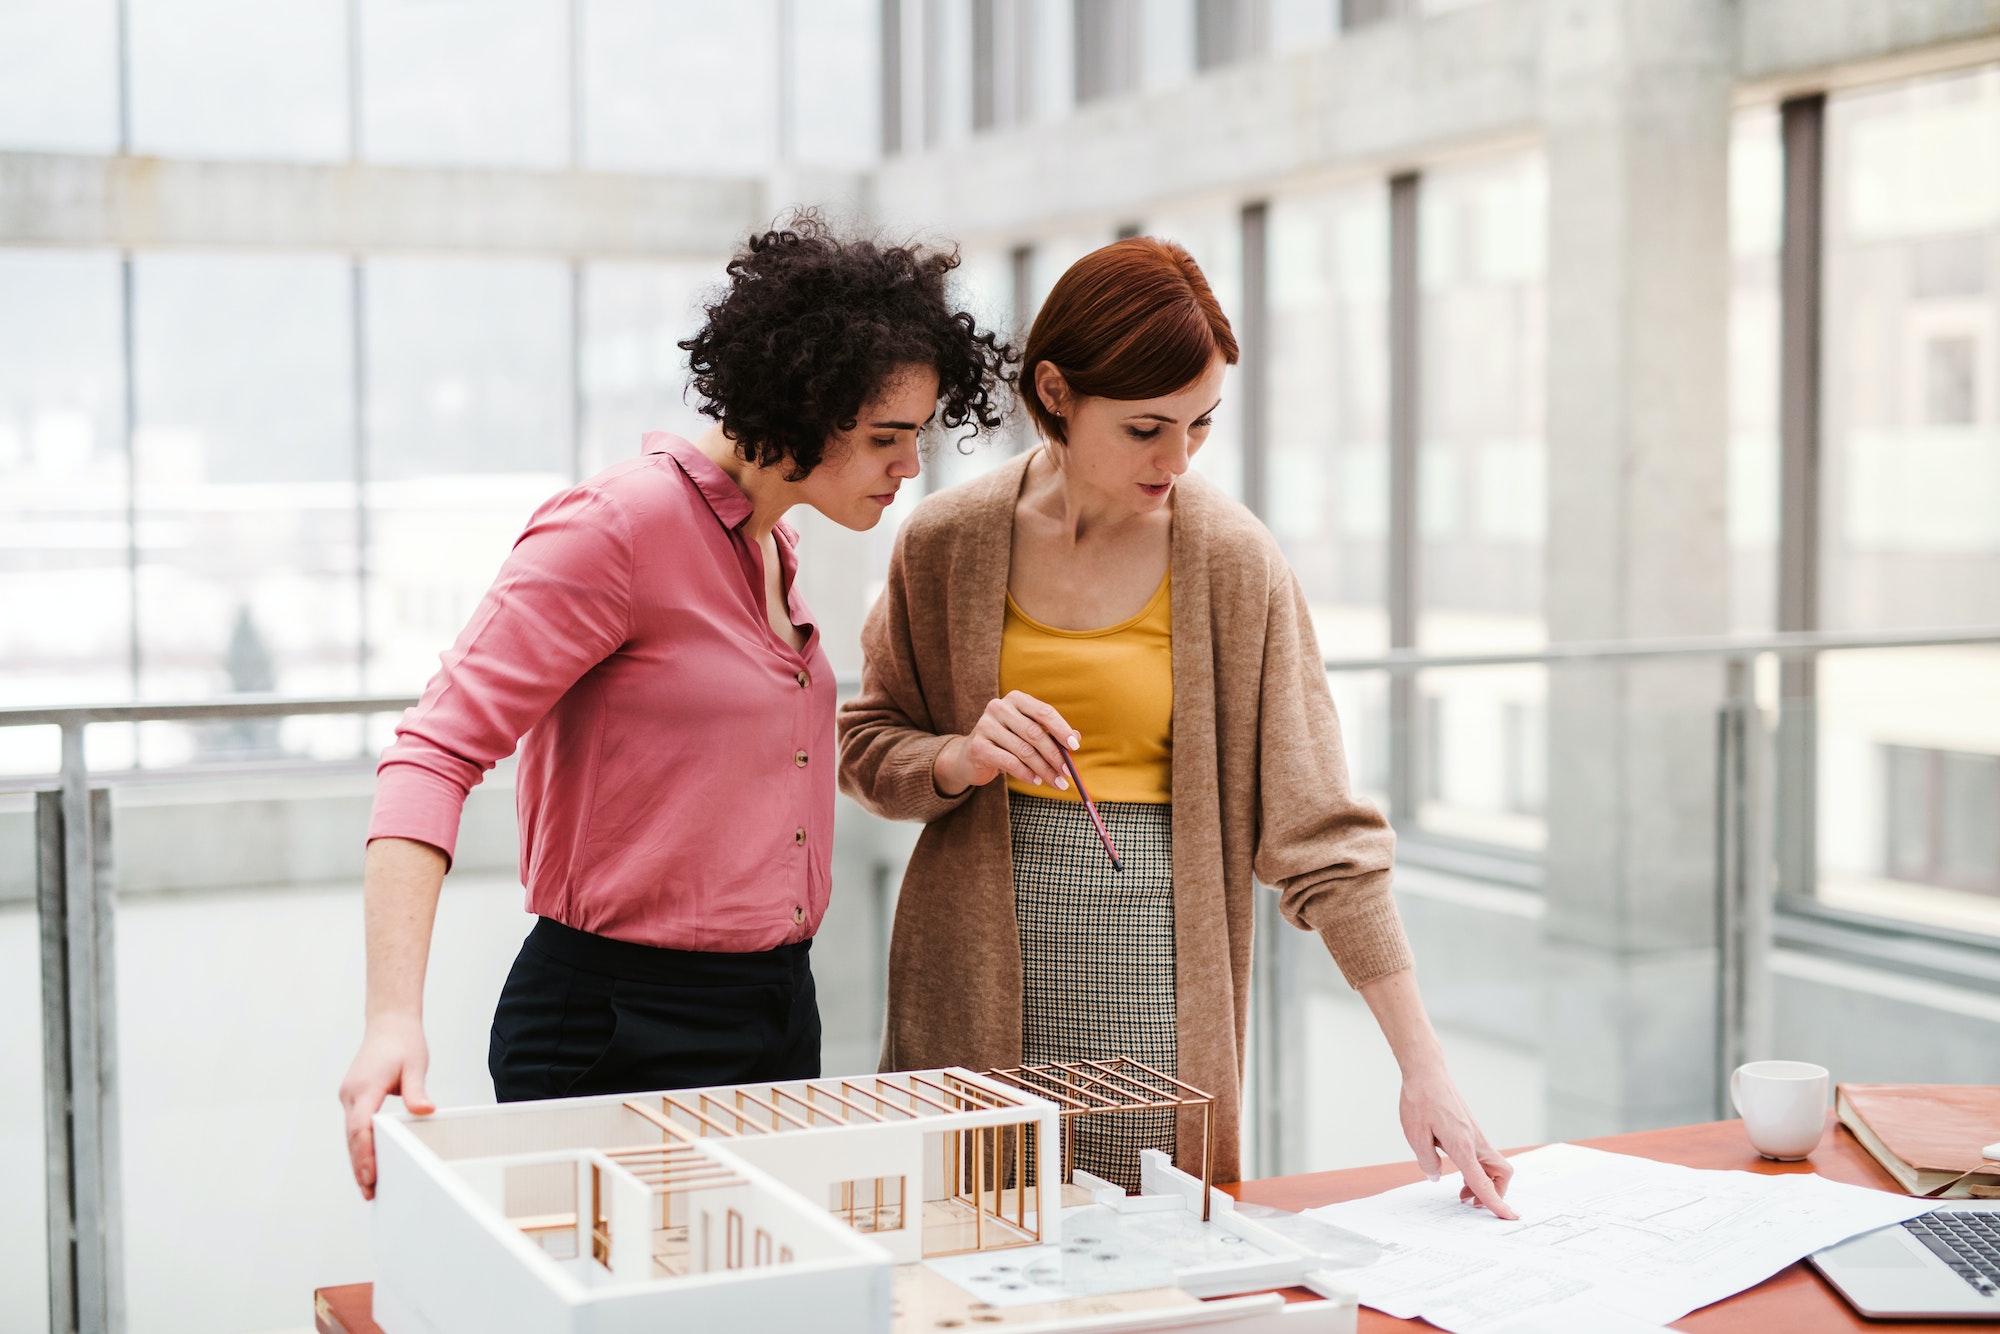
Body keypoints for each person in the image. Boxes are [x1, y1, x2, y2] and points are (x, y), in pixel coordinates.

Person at [838, 236, 1516, 1215]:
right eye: (1147, 427)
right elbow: (866, 742)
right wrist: (957, 754)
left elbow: (1323, 834)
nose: (1178, 457)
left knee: (1158, 1271)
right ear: (1056, 392)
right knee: (965, 1254)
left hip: (1158, 1000)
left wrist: (1423, 1068)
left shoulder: (1233, 561)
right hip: (965, 992)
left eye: (1200, 423)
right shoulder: (945, 542)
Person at [338, 216, 1013, 1199]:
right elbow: (429, 754)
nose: (910, 466)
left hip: (775, 1007)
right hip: (620, 1025)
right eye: (884, 437)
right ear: (800, 403)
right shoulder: (614, 531)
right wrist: (393, 1014)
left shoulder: (771, 547)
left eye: (914, 433)